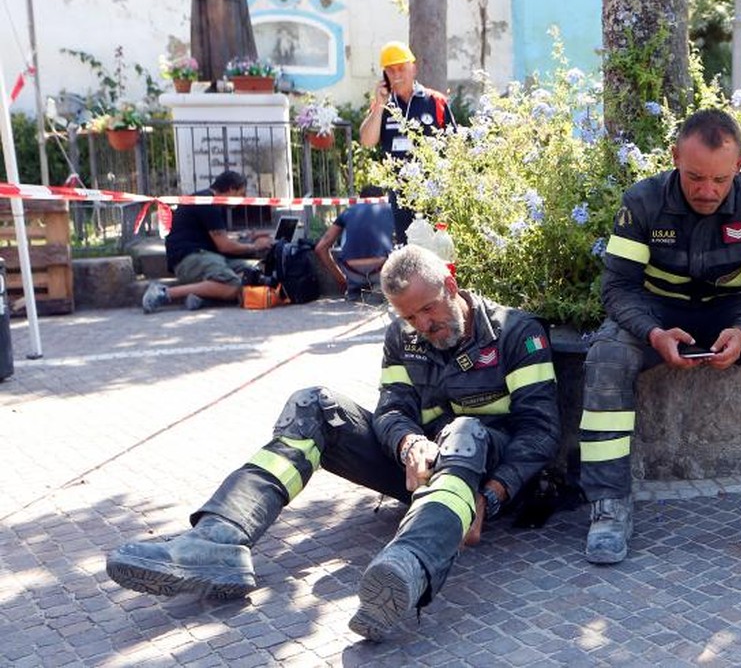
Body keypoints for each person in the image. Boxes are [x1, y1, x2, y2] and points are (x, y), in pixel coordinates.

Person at [108, 245, 561, 641]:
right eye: (409, 316)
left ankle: (408, 567)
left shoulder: (515, 332)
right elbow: (392, 410)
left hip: (486, 481)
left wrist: (492, 495)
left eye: (429, 309)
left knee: (466, 431)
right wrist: (407, 444)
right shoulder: (402, 338)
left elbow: (540, 432)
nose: (423, 324)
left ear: (450, 283)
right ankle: (218, 539)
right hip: (422, 476)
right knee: (312, 404)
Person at [579, 109, 741, 564]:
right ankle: (607, 507)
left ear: (740, 166)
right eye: (695, 178)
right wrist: (651, 332)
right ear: (674, 158)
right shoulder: (642, 201)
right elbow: (616, 288)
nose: (707, 191)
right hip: (656, 312)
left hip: (735, 312)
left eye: (720, 180)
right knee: (607, 358)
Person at [359, 41, 456, 241]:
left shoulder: (435, 101)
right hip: (400, 196)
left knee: (435, 253)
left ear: (414, 68)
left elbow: (454, 146)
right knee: (407, 253)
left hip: (433, 193)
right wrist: (379, 105)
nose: (397, 75)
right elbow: (367, 141)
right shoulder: (383, 105)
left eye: (401, 68)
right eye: (390, 70)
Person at [142, 170, 272, 313]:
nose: (243, 199)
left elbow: (219, 238)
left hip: (206, 255)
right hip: (190, 258)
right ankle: (164, 293)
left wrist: (248, 237)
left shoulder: (212, 202)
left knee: (255, 270)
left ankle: (202, 297)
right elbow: (224, 246)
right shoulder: (207, 202)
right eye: (241, 194)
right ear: (230, 189)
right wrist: (254, 246)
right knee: (233, 285)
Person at [313, 187, 395, 300]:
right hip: (380, 269)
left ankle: (354, 290)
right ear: (382, 198)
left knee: (355, 291)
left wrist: (341, 279)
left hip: (352, 271)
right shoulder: (389, 210)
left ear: (359, 199)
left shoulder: (348, 211)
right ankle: (379, 289)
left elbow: (321, 248)